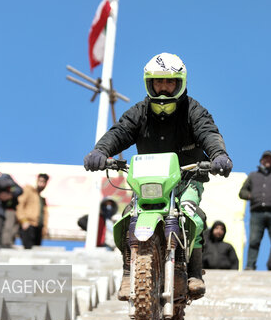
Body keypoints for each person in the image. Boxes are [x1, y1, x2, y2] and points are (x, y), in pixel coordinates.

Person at [83, 52, 232, 301]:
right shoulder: (140, 111)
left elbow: (208, 132)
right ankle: (129, 270)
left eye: (170, 82)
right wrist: (100, 151)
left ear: (180, 83)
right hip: (147, 181)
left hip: (188, 177)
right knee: (128, 215)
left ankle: (194, 272)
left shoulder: (192, 110)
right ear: (149, 83)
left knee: (191, 213)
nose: (163, 88)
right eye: (158, 82)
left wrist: (218, 155)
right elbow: (120, 132)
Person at [16, 173, 50, 249]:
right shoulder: (28, 191)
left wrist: (44, 229)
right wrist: (23, 220)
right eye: (40, 181)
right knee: (28, 249)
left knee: (36, 251)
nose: (41, 184)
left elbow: (44, 215)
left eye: (44, 182)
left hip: (38, 228)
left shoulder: (42, 199)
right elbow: (20, 204)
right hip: (28, 225)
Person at [0, 175, 22, 248]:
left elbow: (20, 190)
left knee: (8, 227)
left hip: (10, 210)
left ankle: (6, 243)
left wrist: (10, 195)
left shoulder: (13, 187)